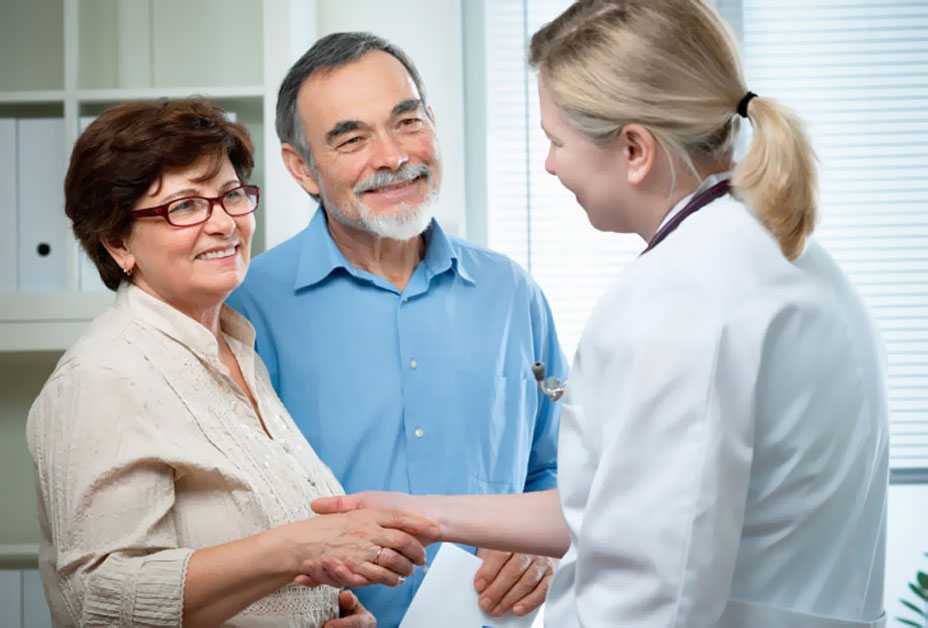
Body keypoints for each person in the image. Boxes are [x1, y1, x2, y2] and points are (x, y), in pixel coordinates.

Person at [312, 1, 890, 627]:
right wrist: (422, 514)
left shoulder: (680, 297)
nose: (550, 163)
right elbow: (614, 504)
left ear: (635, 149)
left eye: (556, 140)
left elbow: (650, 590)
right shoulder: (782, 254)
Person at [26, 98, 440, 628]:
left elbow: (250, 574)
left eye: (231, 195)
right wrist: (300, 546)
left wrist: (322, 610)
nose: (223, 223)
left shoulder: (238, 350)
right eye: (184, 207)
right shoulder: (102, 378)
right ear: (116, 242)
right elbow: (99, 601)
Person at [226, 32, 567, 626]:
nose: (391, 157)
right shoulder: (245, 309)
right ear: (302, 168)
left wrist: (540, 550)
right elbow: (230, 516)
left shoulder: (513, 294)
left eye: (408, 122)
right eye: (352, 139)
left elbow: (558, 470)